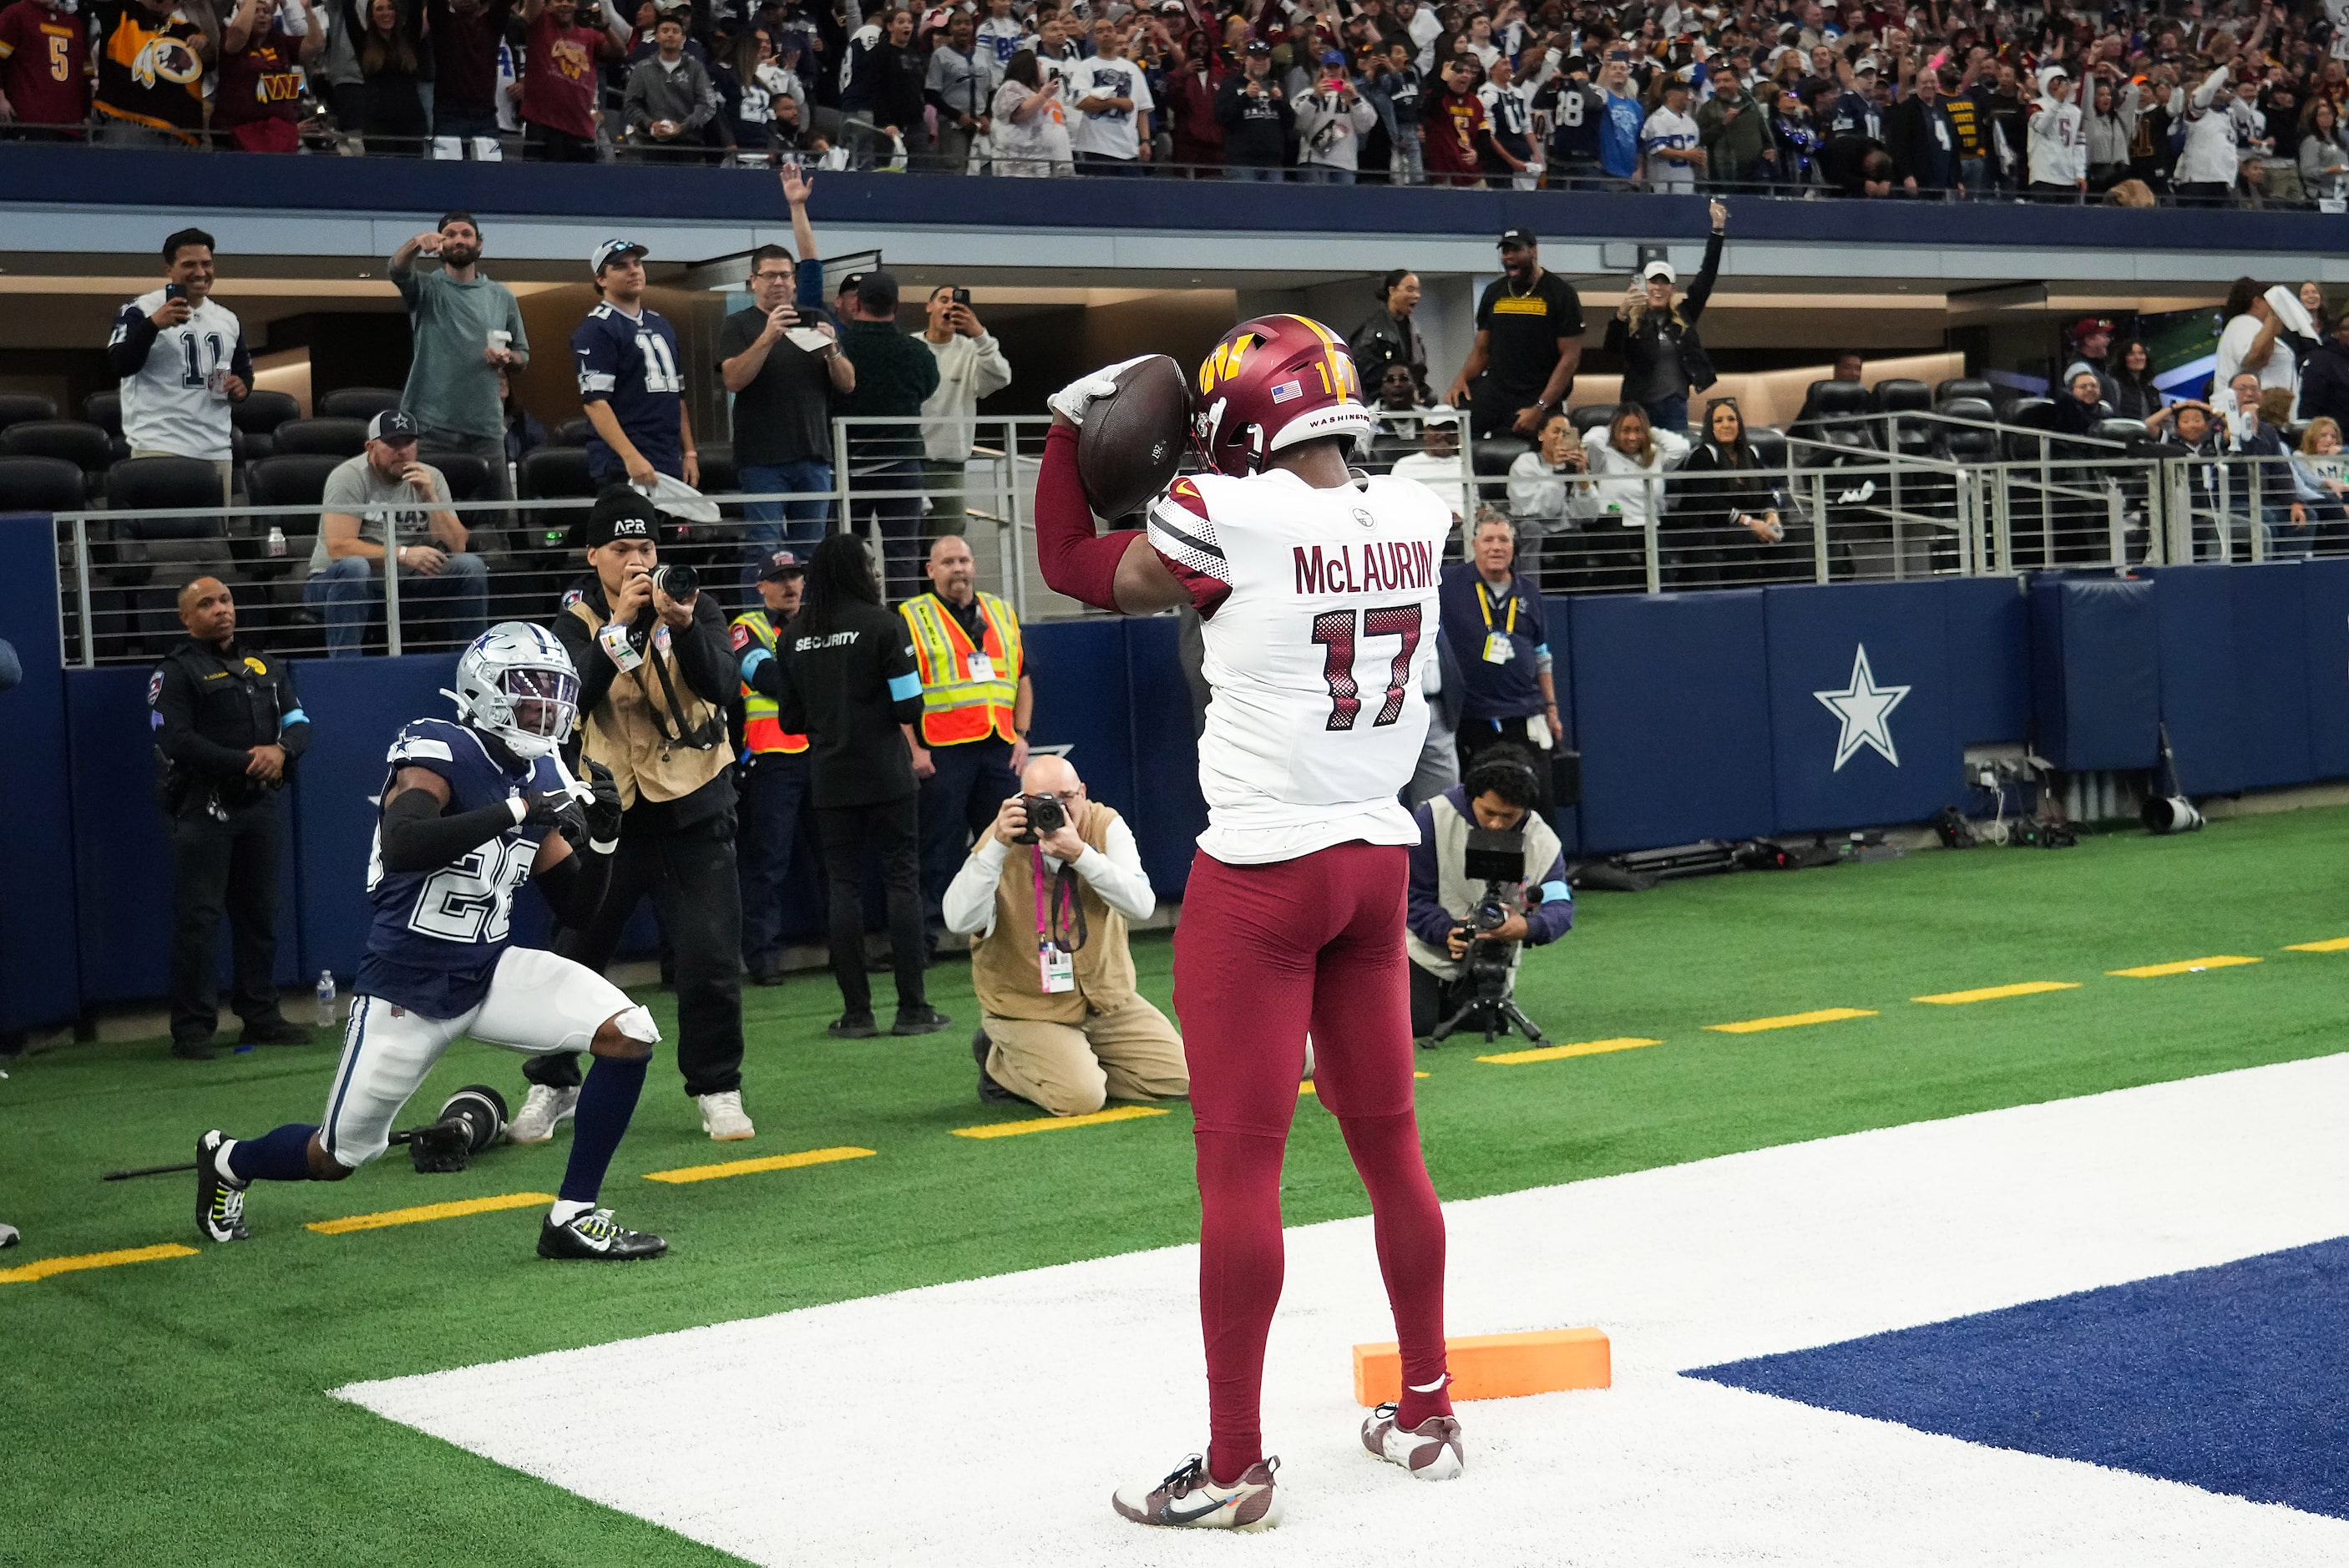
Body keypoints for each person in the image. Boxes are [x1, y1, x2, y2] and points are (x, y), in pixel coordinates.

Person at [1037, 316, 1461, 1530]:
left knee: (1240, 1166)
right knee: (1392, 1152)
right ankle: (1426, 1411)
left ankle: (1235, 1464)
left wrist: (1070, 433)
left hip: (1266, 875)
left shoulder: (1226, 515)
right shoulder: (1423, 509)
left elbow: (1072, 559)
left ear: (1247, 418)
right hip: (1376, 863)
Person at [193, 623, 671, 1263]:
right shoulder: (441, 746)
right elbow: (406, 842)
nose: (547, 708)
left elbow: (578, 909)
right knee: (336, 1157)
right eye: (531, 692)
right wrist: (521, 811)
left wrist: (606, 842)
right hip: (407, 986)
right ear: (484, 691)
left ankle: (572, 1216)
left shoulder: (542, 767)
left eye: (556, 692)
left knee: (630, 1032)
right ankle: (229, 1159)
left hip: (489, 967)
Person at [745, 532, 951, 1038]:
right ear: (861, 572)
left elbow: (791, 721)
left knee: (844, 888)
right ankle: (912, 1009)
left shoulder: (793, 638)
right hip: (886, 773)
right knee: (902, 880)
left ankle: (857, 1013)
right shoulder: (885, 625)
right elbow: (908, 705)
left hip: (830, 780)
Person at [943, 753, 1188, 1115]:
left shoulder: (1106, 826)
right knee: (1081, 1099)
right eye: (1041, 801)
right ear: (1020, 803)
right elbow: (957, 920)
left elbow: (1141, 905)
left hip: (1107, 1004)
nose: (1055, 809)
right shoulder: (1001, 840)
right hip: (1028, 1010)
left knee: (1185, 1080)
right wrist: (995, 847)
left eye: (1066, 797)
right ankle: (1001, 1063)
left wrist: (1081, 855)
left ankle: (1074, 1064)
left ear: (1083, 793)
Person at [151, 576, 313, 1061]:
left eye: (225, 600)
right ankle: (192, 1028)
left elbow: (300, 724)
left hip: (260, 805)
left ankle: (260, 1014)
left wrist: (280, 751)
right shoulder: (176, 673)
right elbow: (175, 740)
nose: (221, 609)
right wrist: (247, 759)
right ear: (186, 618)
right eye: (206, 604)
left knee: (261, 915)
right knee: (198, 919)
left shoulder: (263, 666)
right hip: (204, 807)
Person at [720, 174, 852, 582]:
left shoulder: (814, 319)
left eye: (784, 275)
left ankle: (809, 627)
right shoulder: (738, 324)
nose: (778, 282)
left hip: (814, 455)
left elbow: (847, 383)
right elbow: (733, 380)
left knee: (812, 553)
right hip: (762, 459)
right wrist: (767, 337)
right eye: (769, 275)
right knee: (766, 549)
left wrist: (832, 351)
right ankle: (757, 633)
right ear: (753, 282)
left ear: (794, 282)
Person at [901, 529, 1031, 923]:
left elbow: (1023, 678)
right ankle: (926, 934)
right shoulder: (913, 616)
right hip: (942, 750)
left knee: (1008, 842)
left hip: (998, 747)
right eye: (947, 562)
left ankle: (1011, 928)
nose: (958, 568)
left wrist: (1022, 736)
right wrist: (914, 749)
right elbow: (901, 691)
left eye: (963, 560)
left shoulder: (1001, 611)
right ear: (930, 570)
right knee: (937, 844)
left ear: (974, 565)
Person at [1403, 745, 1572, 1039]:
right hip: (1423, 950)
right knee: (1417, 1023)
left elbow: (1561, 907)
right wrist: (1445, 930)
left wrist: (1528, 927)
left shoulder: (1543, 840)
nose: (1496, 823)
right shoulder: (1433, 818)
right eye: (1489, 812)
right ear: (1472, 796)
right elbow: (1410, 896)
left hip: (1490, 957)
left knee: (1482, 1021)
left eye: (1508, 817)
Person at [306, 411, 489, 656]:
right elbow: (339, 548)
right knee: (355, 568)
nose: (402, 451)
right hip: (333, 583)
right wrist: (402, 554)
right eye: (392, 444)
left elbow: (458, 545)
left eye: (409, 443)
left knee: (470, 566)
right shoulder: (349, 477)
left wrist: (431, 498)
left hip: (403, 584)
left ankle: (471, 664)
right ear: (370, 447)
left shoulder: (431, 477)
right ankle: (346, 672)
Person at [390, 212, 529, 503]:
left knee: (499, 515)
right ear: (441, 244)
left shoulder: (501, 296)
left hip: (486, 426)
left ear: (479, 244)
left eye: (466, 234)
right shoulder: (427, 288)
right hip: (430, 426)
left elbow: (523, 357)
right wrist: (416, 243)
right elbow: (397, 270)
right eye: (450, 234)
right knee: (428, 513)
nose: (458, 240)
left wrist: (507, 358)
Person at [108, 228, 251, 506]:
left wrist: (241, 387)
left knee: (212, 543)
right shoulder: (139, 310)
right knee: (163, 543)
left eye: (207, 263)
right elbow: (120, 363)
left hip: (216, 449)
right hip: (159, 448)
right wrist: (152, 326)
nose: (201, 272)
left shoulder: (227, 319)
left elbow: (243, 370)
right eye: (189, 265)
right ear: (168, 269)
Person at [832, 270, 940, 602]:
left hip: (850, 465)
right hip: (903, 463)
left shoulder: (840, 348)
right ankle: (904, 632)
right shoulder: (917, 352)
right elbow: (928, 388)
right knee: (903, 557)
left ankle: (857, 623)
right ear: (897, 305)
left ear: (857, 303)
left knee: (849, 557)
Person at [730, 548, 810, 987]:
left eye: (795, 576)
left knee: (834, 862)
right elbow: (767, 680)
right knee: (767, 864)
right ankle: (762, 957)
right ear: (761, 586)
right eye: (779, 578)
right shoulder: (746, 627)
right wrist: (821, 683)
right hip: (772, 759)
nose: (789, 585)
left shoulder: (818, 622)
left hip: (820, 754)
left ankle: (844, 948)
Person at [1440, 512, 1559, 787]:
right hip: (1471, 719)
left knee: (1536, 801)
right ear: (1474, 544)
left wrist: (1551, 708)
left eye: (1504, 540)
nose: (1496, 547)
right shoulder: (1448, 585)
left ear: (1514, 546)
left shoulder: (1528, 591)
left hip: (1524, 714)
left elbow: (1542, 654)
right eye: (1489, 539)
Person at [575, 238, 698, 494]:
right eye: (620, 266)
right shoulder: (597, 328)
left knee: (665, 534)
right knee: (629, 534)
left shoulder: (661, 324)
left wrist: (689, 452)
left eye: (637, 263)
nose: (633, 270)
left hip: (666, 455)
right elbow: (595, 403)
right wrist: (630, 456)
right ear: (601, 280)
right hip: (624, 462)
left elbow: (678, 396)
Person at [1445, 227, 1584, 441]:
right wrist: (1460, 380)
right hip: (1496, 389)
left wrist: (1539, 408)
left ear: (1534, 251)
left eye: (1516, 250)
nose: (1509, 256)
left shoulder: (1561, 293)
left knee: (1567, 447)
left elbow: (1570, 359)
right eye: (1505, 251)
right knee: (1451, 422)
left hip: (1539, 394)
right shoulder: (1494, 292)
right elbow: (1482, 350)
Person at [1602, 199, 1726, 434]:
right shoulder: (1632, 320)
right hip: (1639, 407)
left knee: (1675, 459)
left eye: (1664, 283)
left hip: (1674, 406)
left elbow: (1706, 276)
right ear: (1644, 286)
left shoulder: (1684, 316)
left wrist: (1717, 230)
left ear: (1672, 289)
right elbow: (1610, 350)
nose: (1658, 288)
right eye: (1653, 282)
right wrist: (1621, 313)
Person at [1669, 397, 1793, 587]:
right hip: (1711, 528)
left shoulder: (1751, 454)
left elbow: (1767, 491)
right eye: (1718, 421)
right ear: (1710, 427)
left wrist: (1771, 515)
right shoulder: (1702, 456)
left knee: (1794, 533)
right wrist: (1751, 523)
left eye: (1731, 419)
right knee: (1743, 537)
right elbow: (1709, 505)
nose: (1726, 425)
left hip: (1748, 525)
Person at [916, 286, 1012, 527]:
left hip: (950, 463)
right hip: (909, 460)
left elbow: (1002, 377)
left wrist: (979, 335)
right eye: (943, 300)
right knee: (909, 540)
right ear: (929, 307)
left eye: (956, 302)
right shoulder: (911, 347)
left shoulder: (972, 349)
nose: (950, 306)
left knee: (950, 533)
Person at [87, 0, 210, 146]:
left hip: (183, 137)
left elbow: (212, 59)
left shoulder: (189, 31)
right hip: (127, 126)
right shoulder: (120, 12)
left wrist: (203, 44)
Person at [518, 0, 626, 162]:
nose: (564, 4)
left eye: (569, 1)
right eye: (558, 0)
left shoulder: (589, 35)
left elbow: (619, 51)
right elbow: (532, 7)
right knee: (538, 183)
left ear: (576, 5)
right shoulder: (540, 23)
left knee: (579, 184)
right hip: (542, 124)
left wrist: (604, 27)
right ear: (548, 5)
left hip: (580, 127)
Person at [213, 0, 322, 153]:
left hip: (279, 135)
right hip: (237, 136)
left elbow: (314, 46)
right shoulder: (228, 36)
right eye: (256, 11)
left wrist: (308, 10)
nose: (262, 16)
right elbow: (238, 34)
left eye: (266, 12)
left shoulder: (278, 41)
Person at [1505, 410, 1594, 591]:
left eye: (1566, 433)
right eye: (1556, 431)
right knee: (1534, 529)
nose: (1561, 437)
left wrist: (1582, 477)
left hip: (1561, 531)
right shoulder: (1526, 463)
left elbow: (1590, 516)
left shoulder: (1571, 466)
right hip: (1530, 527)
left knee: (1577, 539)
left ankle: (1579, 603)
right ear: (1540, 435)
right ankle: (1529, 595)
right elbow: (1542, 512)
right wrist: (1556, 471)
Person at [622, 12, 717, 158]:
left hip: (689, 143)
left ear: (682, 38)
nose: (670, 35)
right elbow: (631, 103)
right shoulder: (643, 68)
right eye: (665, 31)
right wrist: (650, 124)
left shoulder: (695, 67)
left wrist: (684, 127)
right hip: (650, 143)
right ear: (656, 36)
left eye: (675, 31)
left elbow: (707, 104)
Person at [424, 0, 509, 159]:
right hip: (449, 114)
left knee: (490, 178)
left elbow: (503, 4)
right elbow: (435, 6)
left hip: (485, 115)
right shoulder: (442, 23)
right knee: (445, 177)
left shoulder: (492, 24)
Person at [1068, 14, 1152, 175]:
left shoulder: (1132, 69)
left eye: (1109, 30)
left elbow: (1142, 109)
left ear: (1116, 34)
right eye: (1100, 31)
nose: (1106, 34)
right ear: (1094, 38)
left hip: (1128, 149)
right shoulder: (1086, 67)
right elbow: (1081, 102)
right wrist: (1116, 103)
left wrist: (1146, 140)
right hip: (1095, 148)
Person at [0, 0, 92, 136]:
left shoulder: (74, 24)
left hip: (71, 126)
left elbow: (85, 75)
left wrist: (86, 114)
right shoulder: (16, 14)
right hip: (29, 123)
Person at [2212, 277, 2302, 412]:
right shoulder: (2244, 324)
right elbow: (2254, 359)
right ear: (2257, 302)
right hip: (2251, 415)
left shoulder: (2252, 326)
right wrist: (2272, 319)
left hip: (2269, 417)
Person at [923, 7, 995, 172]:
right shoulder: (941, 55)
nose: (963, 27)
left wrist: (987, 116)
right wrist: (957, 116)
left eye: (967, 23)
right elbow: (931, 93)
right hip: (952, 124)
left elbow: (991, 89)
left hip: (980, 125)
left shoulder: (982, 54)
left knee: (984, 169)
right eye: (958, 23)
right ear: (950, 29)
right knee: (956, 169)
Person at [1215, 37, 1288, 180]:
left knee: (1274, 202)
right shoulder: (1231, 85)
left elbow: (1290, 123)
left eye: (1264, 58)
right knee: (1245, 201)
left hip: (1272, 160)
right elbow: (1221, 117)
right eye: (1256, 58)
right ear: (1246, 59)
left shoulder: (1276, 86)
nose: (1260, 62)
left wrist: (1280, 101)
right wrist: (1245, 97)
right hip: (1242, 161)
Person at [1349, 270, 1427, 401]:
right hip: (1378, 404)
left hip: (1409, 402)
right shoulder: (1371, 330)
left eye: (1417, 290)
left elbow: (1419, 369)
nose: (1416, 295)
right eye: (1410, 289)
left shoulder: (1414, 330)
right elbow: (1361, 372)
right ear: (1392, 291)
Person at [991, 48, 1071, 175]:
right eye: (1039, 66)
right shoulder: (1010, 87)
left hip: (1046, 164)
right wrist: (1043, 95)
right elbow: (1019, 115)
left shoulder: (1040, 93)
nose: (1043, 69)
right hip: (1019, 167)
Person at [1387, 406, 1469, 525]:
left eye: (1451, 430)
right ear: (1426, 432)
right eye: (1438, 429)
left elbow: (1474, 504)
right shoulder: (1405, 465)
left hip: (1465, 528)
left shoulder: (1465, 464)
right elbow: (1395, 506)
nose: (1444, 434)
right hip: (1422, 526)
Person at [1640, 70, 1703, 192]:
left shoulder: (1691, 123)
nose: (1687, 96)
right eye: (1683, 91)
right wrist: (1687, 155)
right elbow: (1658, 149)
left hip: (1687, 184)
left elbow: (1695, 151)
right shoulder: (1658, 119)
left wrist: (1699, 158)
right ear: (1669, 94)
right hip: (1663, 186)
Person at [2299, 314, 2349, 432]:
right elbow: (2310, 405)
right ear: (2337, 333)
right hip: (2334, 439)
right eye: (2347, 328)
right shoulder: (2322, 361)